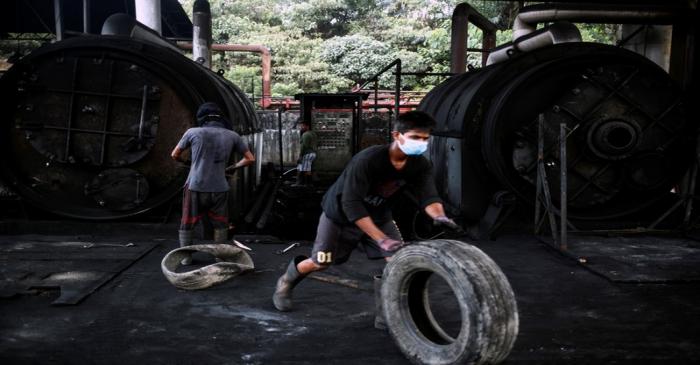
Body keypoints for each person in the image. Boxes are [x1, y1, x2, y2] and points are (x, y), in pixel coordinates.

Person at [272, 110, 462, 316]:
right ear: (397, 135)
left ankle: (390, 315)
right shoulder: (368, 160)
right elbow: (351, 204)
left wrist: (439, 216)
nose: (421, 143)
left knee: (399, 261)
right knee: (321, 262)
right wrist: (380, 239)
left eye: (425, 139)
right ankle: (286, 281)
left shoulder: (420, 165)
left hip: (379, 216)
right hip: (340, 217)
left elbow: (429, 197)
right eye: (415, 137)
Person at [171, 102, 255, 265]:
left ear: (202, 118)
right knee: (221, 223)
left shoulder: (193, 132)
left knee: (187, 222)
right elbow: (250, 159)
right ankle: (219, 257)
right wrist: (232, 167)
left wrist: (188, 162)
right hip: (220, 187)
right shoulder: (232, 135)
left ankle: (186, 258)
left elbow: (175, 154)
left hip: (196, 185)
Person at [294, 120, 318, 186]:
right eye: (301, 126)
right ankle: (304, 183)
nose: (301, 127)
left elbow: (304, 146)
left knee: (304, 169)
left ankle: (305, 183)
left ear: (307, 126)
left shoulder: (305, 134)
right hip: (313, 153)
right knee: (305, 168)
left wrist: (300, 155)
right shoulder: (313, 133)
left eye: (303, 126)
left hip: (307, 154)